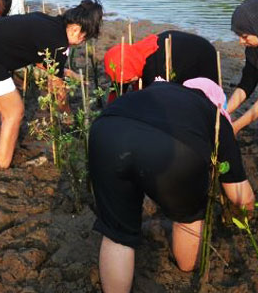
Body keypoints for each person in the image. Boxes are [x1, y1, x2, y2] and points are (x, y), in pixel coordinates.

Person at [89, 79, 254, 293]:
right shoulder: (216, 116)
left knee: (117, 234)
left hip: (107, 131)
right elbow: (242, 196)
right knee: (189, 217)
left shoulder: (160, 88)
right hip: (174, 148)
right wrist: (241, 219)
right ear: (218, 103)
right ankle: (185, 263)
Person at [0, 0, 103, 168]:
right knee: (14, 112)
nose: (81, 43)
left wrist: (66, 72)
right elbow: (57, 90)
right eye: (84, 39)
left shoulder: (48, 22)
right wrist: (68, 118)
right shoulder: (58, 43)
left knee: (10, 108)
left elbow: (40, 59)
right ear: (77, 30)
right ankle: (1, 167)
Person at [103, 30, 219, 97]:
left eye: (128, 79)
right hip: (182, 45)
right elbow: (118, 86)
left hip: (202, 56)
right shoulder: (130, 58)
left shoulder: (154, 70)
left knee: (202, 96)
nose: (128, 81)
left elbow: (155, 98)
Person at [227, 0, 258, 134]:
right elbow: (247, 83)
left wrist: (235, 127)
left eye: (244, 36)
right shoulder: (252, 49)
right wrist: (224, 111)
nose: (240, 41)